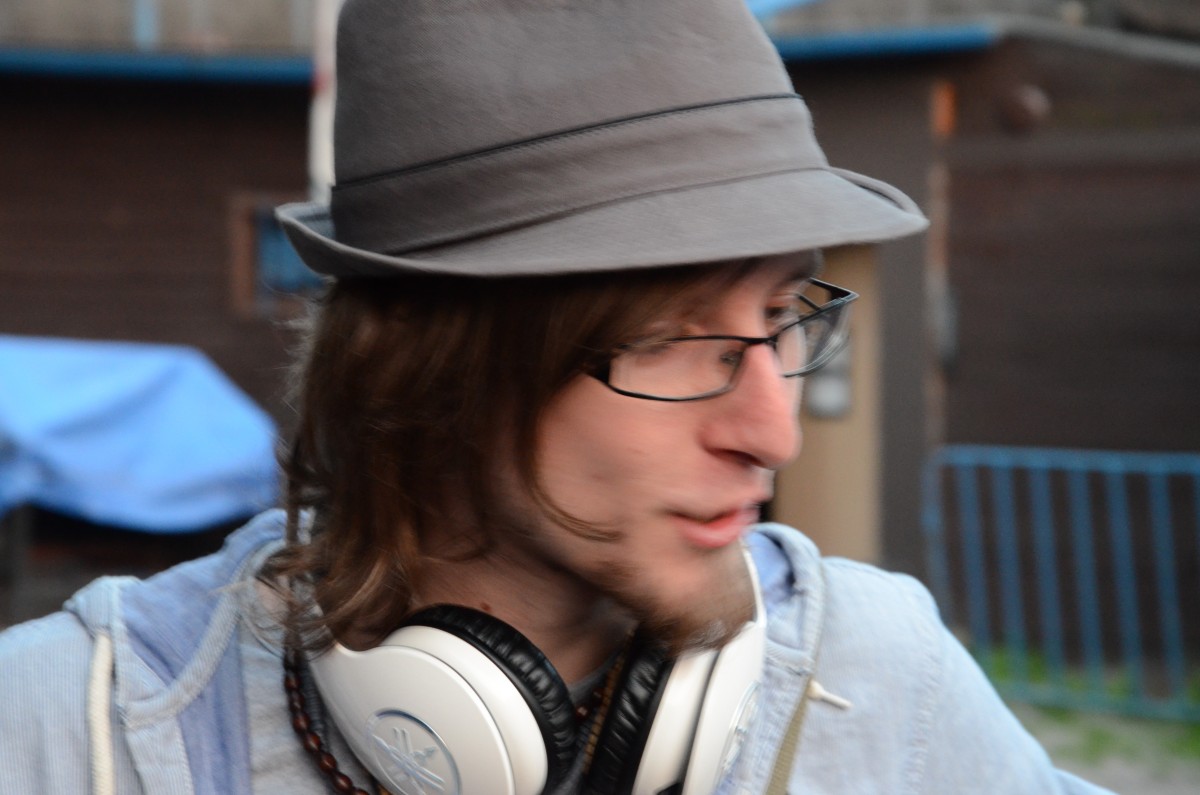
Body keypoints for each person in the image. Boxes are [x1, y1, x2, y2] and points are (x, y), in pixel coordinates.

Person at [0, 1, 1114, 793]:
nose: (774, 433)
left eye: (781, 316)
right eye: (675, 340)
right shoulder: (71, 731)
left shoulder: (879, 681)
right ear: (433, 372)